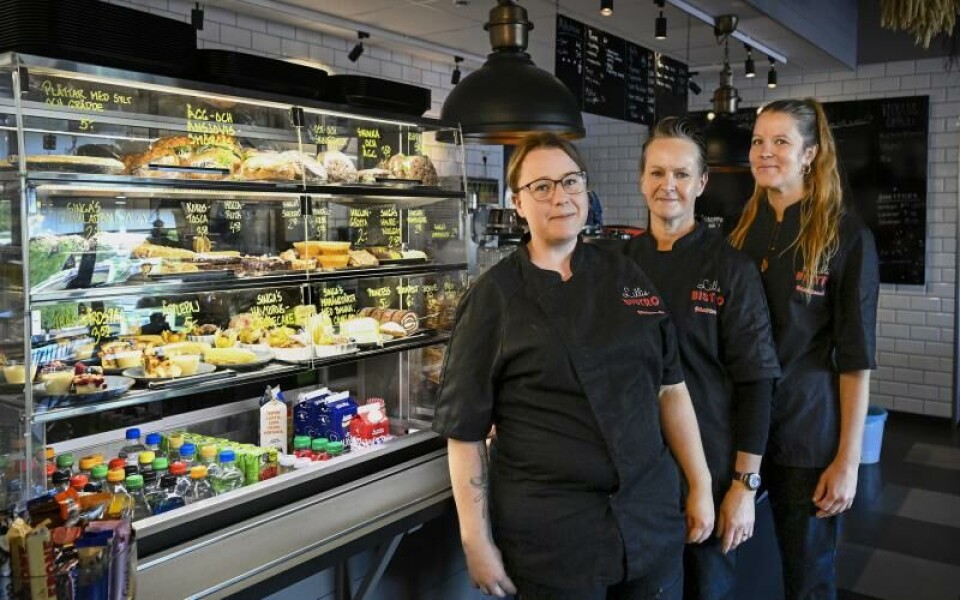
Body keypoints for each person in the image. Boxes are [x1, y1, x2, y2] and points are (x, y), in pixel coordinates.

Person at [433, 133, 714, 600]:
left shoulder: (626, 273)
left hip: (649, 520)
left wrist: (700, 484)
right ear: (517, 203)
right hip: (554, 540)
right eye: (541, 187)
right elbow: (464, 433)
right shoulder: (493, 299)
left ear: (587, 190)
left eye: (571, 181)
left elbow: (671, 388)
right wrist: (475, 540)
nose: (560, 197)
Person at [623, 117, 781, 600]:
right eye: (656, 172)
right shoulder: (615, 264)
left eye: (681, 174)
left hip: (710, 472)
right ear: (641, 178)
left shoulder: (731, 268)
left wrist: (742, 486)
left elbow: (756, 382)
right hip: (635, 474)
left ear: (701, 183)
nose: (667, 185)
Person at [728, 98, 879, 600]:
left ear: (811, 153)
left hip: (806, 433)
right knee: (721, 563)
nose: (764, 152)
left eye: (780, 142)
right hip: (739, 428)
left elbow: (855, 360)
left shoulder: (845, 236)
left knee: (807, 575)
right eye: (757, 141)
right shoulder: (742, 233)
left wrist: (848, 461)